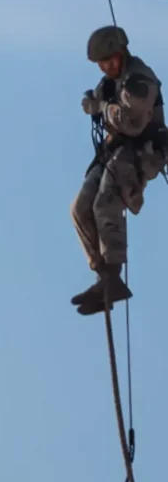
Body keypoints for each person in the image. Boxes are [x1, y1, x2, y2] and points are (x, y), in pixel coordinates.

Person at [71, 25, 167, 316]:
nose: (108, 66)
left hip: (141, 151)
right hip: (115, 150)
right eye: (103, 62)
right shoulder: (111, 83)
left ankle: (112, 273)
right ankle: (103, 275)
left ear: (122, 53)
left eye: (112, 59)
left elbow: (131, 122)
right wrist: (94, 103)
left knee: (105, 203)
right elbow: (102, 103)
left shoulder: (140, 79)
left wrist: (100, 106)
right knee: (80, 208)